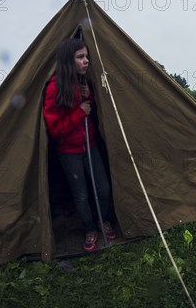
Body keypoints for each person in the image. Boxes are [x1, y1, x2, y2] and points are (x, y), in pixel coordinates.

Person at [43, 38, 116, 252]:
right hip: (69, 151)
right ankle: (90, 229)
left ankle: (104, 221)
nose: (86, 61)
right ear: (68, 60)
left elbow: (89, 106)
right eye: (80, 57)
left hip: (90, 144)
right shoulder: (54, 88)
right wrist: (80, 111)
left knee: (103, 188)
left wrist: (87, 99)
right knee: (81, 194)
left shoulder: (83, 82)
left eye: (87, 57)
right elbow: (55, 129)